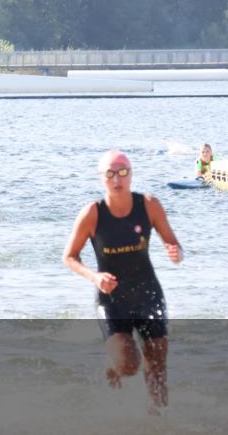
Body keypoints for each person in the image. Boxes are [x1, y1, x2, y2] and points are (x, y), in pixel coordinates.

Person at [62, 150, 183, 414]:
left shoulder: (149, 205)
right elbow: (69, 257)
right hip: (112, 299)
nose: (117, 179)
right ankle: (112, 365)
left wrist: (175, 252)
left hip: (148, 294)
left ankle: (160, 421)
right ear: (101, 178)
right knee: (129, 364)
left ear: (131, 175)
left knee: (157, 364)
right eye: (110, 174)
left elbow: (172, 242)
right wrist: (95, 276)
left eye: (123, 172)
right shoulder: (92, 214)